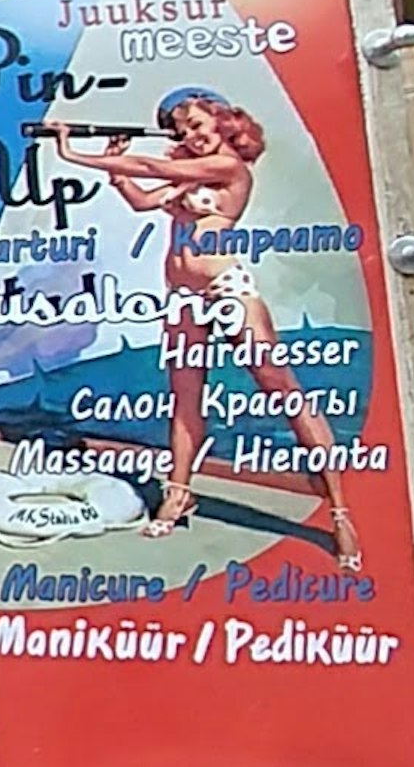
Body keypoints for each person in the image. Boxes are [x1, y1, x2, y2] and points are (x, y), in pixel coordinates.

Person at [52, 87, 361, 571]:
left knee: (280, 388)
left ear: (223, 122)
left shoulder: (228, 169)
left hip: (225, 289)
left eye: (198, 125)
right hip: (183, 296)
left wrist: (73, 152)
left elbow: (159, 170)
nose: (191, 135)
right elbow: (143, 199)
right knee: (185, 395)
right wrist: (115, 167)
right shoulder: (189, 175)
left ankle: (339, 508)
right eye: (183, 129)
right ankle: (177, 495)